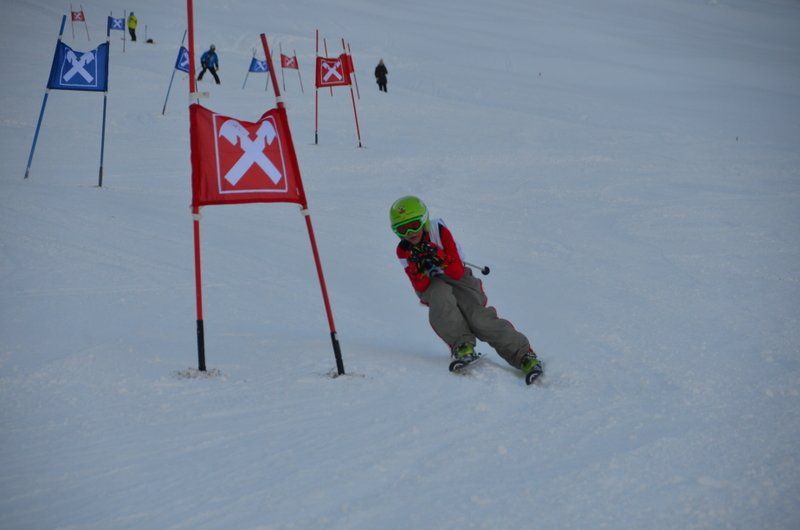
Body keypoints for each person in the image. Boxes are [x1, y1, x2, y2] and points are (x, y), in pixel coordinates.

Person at [390, 196, 543, 384]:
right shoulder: (403, 250)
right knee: (440, 295)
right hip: (432, 284)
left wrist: (438, 255)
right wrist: (417, 268)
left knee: (478, 319)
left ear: (424, 221)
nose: (410, 233)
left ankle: (523, 355)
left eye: (414, 225)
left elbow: (456, 272)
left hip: (459, 277)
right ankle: (462, 345)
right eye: (403, 229)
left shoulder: (439, 231)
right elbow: (420, 288)